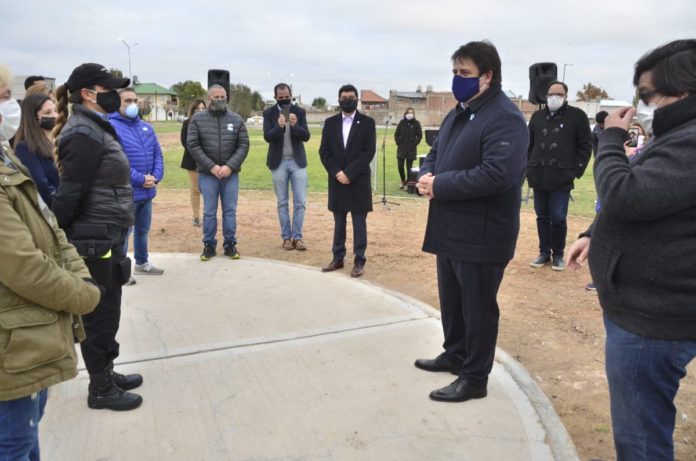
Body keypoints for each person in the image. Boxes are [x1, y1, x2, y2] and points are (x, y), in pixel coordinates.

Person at [567, 39, 696, 461]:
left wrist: (609, 139)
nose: (642, 106)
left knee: (640, 437)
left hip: (653, 320)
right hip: (643, 309)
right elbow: (652, 196)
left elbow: (624, 195)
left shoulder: (690, 142)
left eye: (648, 96)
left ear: (684, 91)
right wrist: (593, 232)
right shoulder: (676, 134)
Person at [414, 41, 528, 402]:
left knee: (478, 309)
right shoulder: (458, 113)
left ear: (487, 76)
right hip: (450, 227)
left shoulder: (505, 117)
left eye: (464, 73)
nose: (457, 79)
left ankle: (475, 377)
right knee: (452, 301)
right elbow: (435, 153)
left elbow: (497, 175)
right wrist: (426, 175)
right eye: (454, 72)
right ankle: (455, 353)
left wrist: (440, 185)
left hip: (482, 233)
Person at [0, 63, 101, 460]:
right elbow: (22, 265)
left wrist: (79, 274)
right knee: (14, 444)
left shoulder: (7, 158)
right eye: (3, 96)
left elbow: (50, 228)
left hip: (28, 342)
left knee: (26, 438)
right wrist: (84, 295)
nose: (9, 105)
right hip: (13, 346)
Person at [52, 63, 143, 411]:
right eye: (109, 89)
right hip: (94, 237)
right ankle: (100, 388)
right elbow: (70, 193)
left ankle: (107, 372)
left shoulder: (95, 127)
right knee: (99, 313)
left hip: (108, 233)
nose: (116, 95)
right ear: (89, 94)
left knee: (110, 308)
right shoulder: (83, 133)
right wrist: (60, 237)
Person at [526, 80, 592, 271]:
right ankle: (544, 253)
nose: (554, 97)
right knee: (542, 216)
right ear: (546, 96)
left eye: (559, 94)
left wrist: (575, 171)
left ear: (565, 96)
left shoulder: (577, 116)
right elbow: (529, 144)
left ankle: (558, 255)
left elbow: (585, 146)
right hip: (539, 175)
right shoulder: (537, 116)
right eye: (551, 94)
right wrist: (528, 167)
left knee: (558, 217)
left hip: (562, 176)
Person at [319, 84, 376, 278]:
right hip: (337, 181)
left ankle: (359, 259)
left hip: (358, 180)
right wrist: (337, 172)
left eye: (351, 97)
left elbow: (368, 152)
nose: (347, 101)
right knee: (339, 222)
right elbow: (324, 152)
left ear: (357, 99)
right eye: (344, 98)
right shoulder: (330, 123)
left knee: (359, 222)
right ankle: (338, 257)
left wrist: (349, 173)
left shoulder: (367, 123)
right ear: (339, 100)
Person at [187, 84, 249, 261]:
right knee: (209, 211)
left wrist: (229, 166)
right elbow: (193, 145)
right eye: (216, 97)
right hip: (208, 174)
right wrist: (212, 167)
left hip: (230, 174)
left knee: (230, 211)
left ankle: (230, 244)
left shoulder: (236, 119)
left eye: (223, 97)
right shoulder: (198, 119)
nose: (220, 100)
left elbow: (243, 145)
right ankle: (209, 245)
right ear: (209, 99)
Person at [109, 87, 165, 277]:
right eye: (127, 101)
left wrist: (155, 176)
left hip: (147, 192)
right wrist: (141, 179)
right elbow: (117, 162)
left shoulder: (146, 127)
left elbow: (157, 154)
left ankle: (142, 263)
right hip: (127, 192)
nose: (132, 104)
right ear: (117, 103)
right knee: (124, 233)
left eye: (134, 100)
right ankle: (121, 272)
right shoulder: (112, 127)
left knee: (143, 230)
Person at [263, 83, 310, 250]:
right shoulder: (269, 113)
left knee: (300, 202)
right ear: (275, 97)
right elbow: (267, 137)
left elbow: (306, 136)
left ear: (291, 95)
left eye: (287, 97)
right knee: (282, 202)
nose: (284, 99)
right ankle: (286, 238)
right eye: (280, 97)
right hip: (278, 163)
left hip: (297, 162)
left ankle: (297, 237)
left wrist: (296, 126)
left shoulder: (299, 112)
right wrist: (279, 126)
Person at [13, 94, 60, 206]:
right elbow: (41, 186)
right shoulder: (25, 147)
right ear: (33, 118)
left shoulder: (59, 139)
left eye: (55, 110)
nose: (55, 115)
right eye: (47, 112)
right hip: (57, 208)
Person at [180, 99, 206, 227]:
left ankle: (208, 215)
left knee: (207, 189)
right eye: (198, 109)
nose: (200, 111)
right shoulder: (187, 123)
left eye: (203, 108)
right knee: (196, 189)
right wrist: (198, 155)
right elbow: (185, 142)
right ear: (193, 110)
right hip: (192, 161)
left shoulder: (209, 123)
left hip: (207, 162)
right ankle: (196, 217)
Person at [394, 107, 422, 189]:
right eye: (408, 112)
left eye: (411, 112)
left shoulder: (417, 123)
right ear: (405, 114)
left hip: (411, 149)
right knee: (400, 166)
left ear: (413, 114)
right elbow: (396, 135)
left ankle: (408, 184)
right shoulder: (402, 123)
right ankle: (403, 180)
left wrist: (414, 144)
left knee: (409, 168)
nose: (410, 114)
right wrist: (399, 143)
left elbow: (420, 136)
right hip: (401, 149)